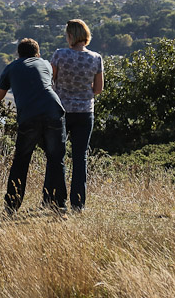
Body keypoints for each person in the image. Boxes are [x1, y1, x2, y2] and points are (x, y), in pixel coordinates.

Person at [0, 38, 67, 215]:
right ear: (38, 53)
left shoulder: (12, 66)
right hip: (54, 110)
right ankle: (60, 205)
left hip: (29, 115)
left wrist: (1, 85)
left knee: (22, 160)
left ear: (18, 54)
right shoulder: (45, 64)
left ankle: (11, 206)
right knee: (56, 160)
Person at [50, 19, 103, 212]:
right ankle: (78, 203)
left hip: (62, 110)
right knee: (80, 157)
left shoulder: (60, 55)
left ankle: (59, 200)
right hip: (85, 112)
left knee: (59, 156)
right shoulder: (96, 58)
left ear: (71, 36)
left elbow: (50, 80)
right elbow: (98, 89)